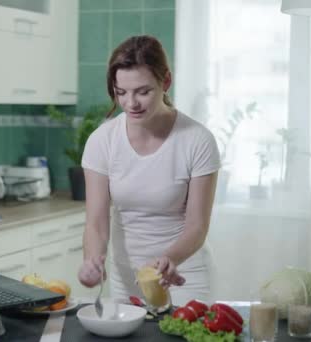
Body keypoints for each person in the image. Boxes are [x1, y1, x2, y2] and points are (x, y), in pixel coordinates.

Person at [77, 35, 220, 305]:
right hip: (127, 278)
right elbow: (96, 221)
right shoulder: (102, 140)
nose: (131, 103)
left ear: (165, 82)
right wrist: (92, 260)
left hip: (182, 274)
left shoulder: (197, 140)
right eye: (121, 92)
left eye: (143, 91)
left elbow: (197, 226)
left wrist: (170, 259)